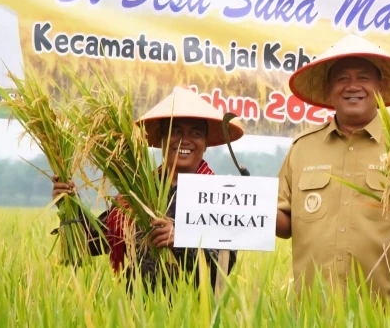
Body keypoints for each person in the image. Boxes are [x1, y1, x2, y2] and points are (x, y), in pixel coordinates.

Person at [275, 34, 390, 304]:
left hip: (388, 311)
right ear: (328, 88)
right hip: (312, 312)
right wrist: (247, 205)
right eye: (342, 78)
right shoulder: (302, 148)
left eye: (363, 78)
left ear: (381, 86)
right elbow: (284, 225)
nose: (352, 86)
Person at [51, 86, 245, 291]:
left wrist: (181, 240)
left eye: (195, 133)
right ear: (161, 140)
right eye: (175, 131)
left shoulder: (220, 195)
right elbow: (91, 242)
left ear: (205, 143)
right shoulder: (138, 192)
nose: (184, 140)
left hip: (194, 312)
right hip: (139, 312)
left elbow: (223, 268)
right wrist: (69, 201)